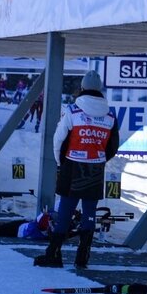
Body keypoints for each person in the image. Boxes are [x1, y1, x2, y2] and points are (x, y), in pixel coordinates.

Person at [33, 70, 120, 269]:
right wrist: (98, 158)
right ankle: (83, 258)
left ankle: (53, 255)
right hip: (95, 168)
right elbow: (113, 146)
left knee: (65, 211)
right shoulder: (110, 115)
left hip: (72, 166)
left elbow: (58, 139)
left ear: (82, 88)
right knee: (89, 213)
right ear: (100, 90)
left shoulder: (72, 110)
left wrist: (60, 162)